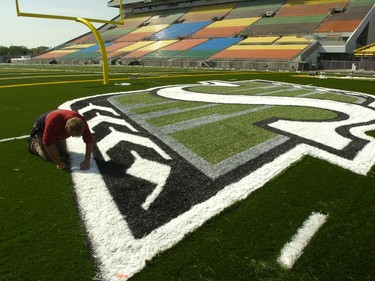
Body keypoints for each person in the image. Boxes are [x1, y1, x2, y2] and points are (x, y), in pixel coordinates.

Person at [28, 109, 94, 170]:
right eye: (72, 134)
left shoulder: (81, 122)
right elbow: (48, 144)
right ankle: (33, 144)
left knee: (62, 153)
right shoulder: (53, 123)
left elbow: (89, 141)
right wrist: (58, 163)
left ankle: (57, 140)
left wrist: (87, 161)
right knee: (49, 157)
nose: (73, 136)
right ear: (66, 128)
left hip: (58, 130)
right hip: (42, 129)